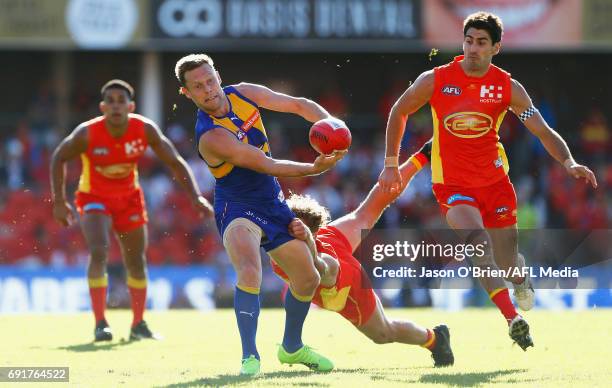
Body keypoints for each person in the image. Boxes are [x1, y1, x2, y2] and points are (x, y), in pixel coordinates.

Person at [378, 11, 597, 351]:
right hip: (452, 185)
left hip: (494, 183)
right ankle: (513, 319)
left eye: (481, 42)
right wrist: (391, 163)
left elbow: (541, 130)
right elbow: (399, 111)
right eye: (468, 40)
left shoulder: (507, 87)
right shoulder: (436, 79)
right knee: (478, 246)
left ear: (496, 47)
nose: (473, 48)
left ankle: (521, 278)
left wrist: (568, 161)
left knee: (507, 263)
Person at [175, 54, 346, 375]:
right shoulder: (210, 135)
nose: (208, 90)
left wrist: (333, 127)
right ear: (188, 94)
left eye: (210, 80)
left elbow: (297, 104)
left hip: (271, 199)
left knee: (308, 277)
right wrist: (314, 168)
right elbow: (265, 163)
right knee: (250, 270)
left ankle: (292, 348)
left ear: (218, 75)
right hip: (237, 205)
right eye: (198, 87)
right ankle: (250, 358)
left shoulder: (244, 93)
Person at [50, 79, 213, 342]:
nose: (116, 106)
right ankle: (100, 322)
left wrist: (195, 196)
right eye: (110, 101)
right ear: (103, 107)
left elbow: (174, 161)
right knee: (99, 251)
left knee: (136, 261)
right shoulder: (87, 133)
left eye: (121, 101)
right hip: (94, 197)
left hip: (129, 199)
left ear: (131, 105)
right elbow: (59, 156)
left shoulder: (144, 129)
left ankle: (138, 324)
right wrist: (59, 200)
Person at [272, 141, 455, 367]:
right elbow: (377, 201)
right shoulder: (296, 234)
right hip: (327, 247)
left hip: (348, 288)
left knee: (383, 334)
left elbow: (323, 271)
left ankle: (435, 339)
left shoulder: (322, 253)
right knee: (367, 212)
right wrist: (420, 158)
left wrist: (308, 241)